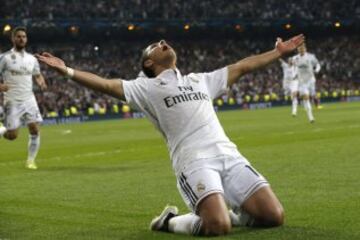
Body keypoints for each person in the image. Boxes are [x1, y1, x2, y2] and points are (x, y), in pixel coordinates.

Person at [36, 34, 304, 236]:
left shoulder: (200, 80)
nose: (163, 42)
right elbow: (106, 85)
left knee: (274, 216)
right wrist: (67, 71)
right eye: (156, 44)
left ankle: (234, 214)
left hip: (229, 155)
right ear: (149, 62)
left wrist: (276, 53)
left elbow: (242, 67)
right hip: (194, 162)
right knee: (216, 226)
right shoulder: (146, 88)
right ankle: (170, 221)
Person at [0, 27, 47, 169]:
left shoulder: (32, 59)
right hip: (12, 101)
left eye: (24, 36)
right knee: (12, 135)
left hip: (29, 100)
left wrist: (41, 82)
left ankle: (31, 161)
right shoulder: (5, 58)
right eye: (19, 36)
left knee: (34, 129)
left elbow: (37, 74)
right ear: (13, 39)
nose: (22, 39)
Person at [292, 43, 321, 122]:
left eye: (302, 48)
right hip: (302, 82)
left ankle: (315, 101)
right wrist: (294, 75)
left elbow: (318, 64)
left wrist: (316, 70)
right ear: (297, 49)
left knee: (312, 95)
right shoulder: (295, 58)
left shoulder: (311, 56)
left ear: (305, 48)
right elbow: (294, 68)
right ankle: (311, 117)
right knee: (306, 97)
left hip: (311, 80)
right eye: (299, 48)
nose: (301, 49)